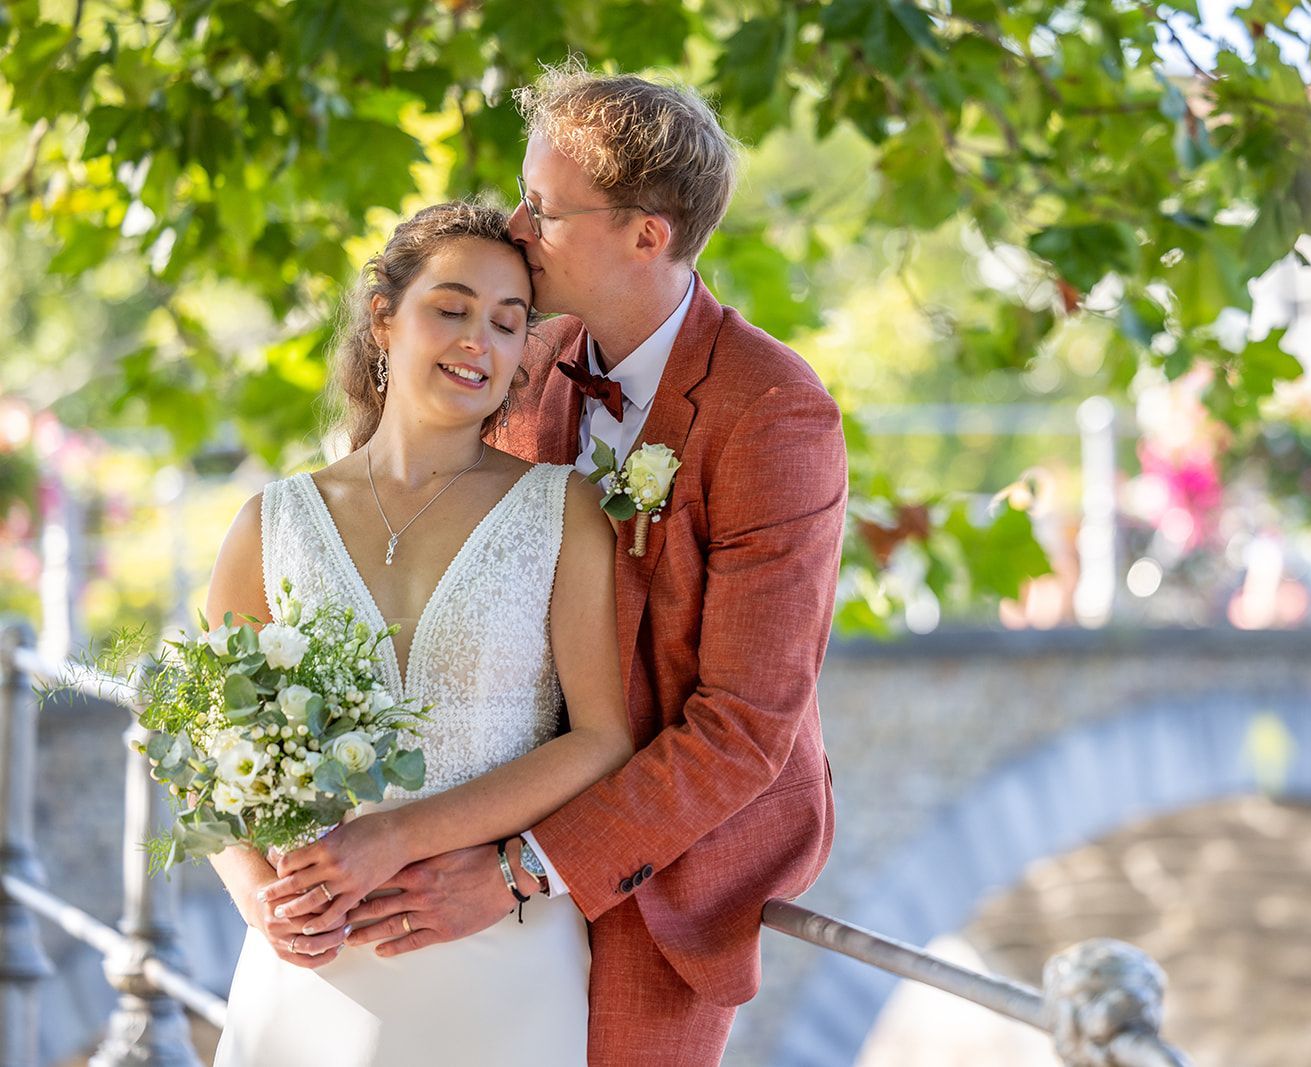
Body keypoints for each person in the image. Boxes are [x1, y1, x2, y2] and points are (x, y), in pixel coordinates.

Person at [327, 67, 850, 1064]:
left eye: (548, 210)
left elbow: (742, 731)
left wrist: (519, 869)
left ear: (647, 234)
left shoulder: (772, 414)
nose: (519, 227)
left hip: (671, 866)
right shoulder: (526, 351)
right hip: (487, 803)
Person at [203, 201, 633, 1065]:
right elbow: (213, 755)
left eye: (509, 324)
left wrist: (396, 837)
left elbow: (601, 739)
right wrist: (260, 897)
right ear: (384, 318)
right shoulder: (272, 521)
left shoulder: (563, 511)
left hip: (500, 957)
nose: (481, 340)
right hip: (314, 970)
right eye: (453, 308)